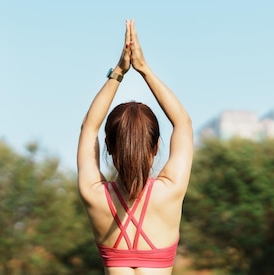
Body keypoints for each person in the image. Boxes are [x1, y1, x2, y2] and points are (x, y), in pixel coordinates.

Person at [77, 19, 193, 274]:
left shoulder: (94, 195)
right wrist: (144, 68)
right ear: (156, 146)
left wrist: (119, 71)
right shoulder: (171, 191)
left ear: (108, 146)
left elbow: (89, 128)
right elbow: (182, 123)